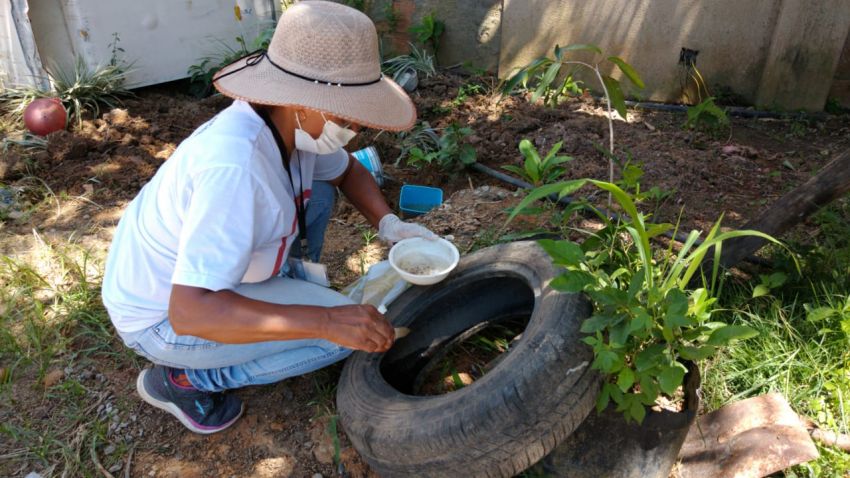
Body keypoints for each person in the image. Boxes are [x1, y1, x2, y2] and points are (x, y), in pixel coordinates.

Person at [101, 0, 436, 434]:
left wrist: (389, 225)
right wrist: (324, 320)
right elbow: (190, 313)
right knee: (342, 336)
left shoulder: (288, 127)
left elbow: (350, 171)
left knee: (315, 198)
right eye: (344, 112)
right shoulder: (236, 170)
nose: (353, 124)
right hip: (165, 316)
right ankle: (186, 379)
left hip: (204, 282)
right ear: (303, 100)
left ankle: (288, 295)